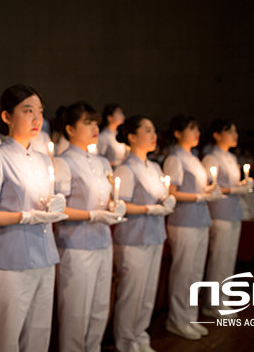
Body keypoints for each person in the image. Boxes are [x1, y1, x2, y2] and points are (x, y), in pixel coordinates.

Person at [0, 84, 68, 352]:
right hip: (11, 261)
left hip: (45, 256)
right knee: (7, 339)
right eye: (28, 110)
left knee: (39, 335)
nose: (37, 119)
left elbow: (44, 204)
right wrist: (23, 216)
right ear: (7, 116)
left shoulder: (44, 160)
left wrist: (56, 204)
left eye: (40, 111)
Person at [53, 102, 125, 352]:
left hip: (103, 241)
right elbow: (58, 209)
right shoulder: (63, 162)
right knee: (75, 310)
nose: (95, 127)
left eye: (96, 122)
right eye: (87, 122)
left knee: (99, 307)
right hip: (76, 244)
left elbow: (108, 198)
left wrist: (114, 206)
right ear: (70, 129)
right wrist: (92, 214)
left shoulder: (103, 162)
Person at [112, 115, 176, 352]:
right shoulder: (126, 168)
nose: (153, 136)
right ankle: (126, 342)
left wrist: (165, 200)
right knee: (132, 294)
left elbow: (160, 195)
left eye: (154, 131)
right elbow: (121, 204)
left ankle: (140, 336)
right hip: (133, 238)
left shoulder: (155, 166)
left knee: (148, 294)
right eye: (147, 131)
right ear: (131, 137)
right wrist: (151, 208)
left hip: (155, 235)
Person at [162, 115, 222, 340]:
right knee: (184, 272)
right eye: (191, 128)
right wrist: (199, 196)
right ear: (177, 133)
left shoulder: (194, 157)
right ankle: (177, 320)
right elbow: (171, 193)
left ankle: (190, 316)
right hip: (183, 221)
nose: (196, 132)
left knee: (196, 272)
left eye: (197, 128)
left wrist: (208, 191)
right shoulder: (175, 158)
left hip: (200, 219)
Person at [201, 119, 254, 319]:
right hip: (219, 212)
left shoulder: (231, 157)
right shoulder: (211, 157)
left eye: (235, 131)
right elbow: (208, 186)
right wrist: (234, 189)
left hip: (234, 211)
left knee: (229, 258)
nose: (235, 135)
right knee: (219, 258)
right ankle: (212, 304)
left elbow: (233, 184)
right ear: (216, 134)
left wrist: (243, 183)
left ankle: (223, 299)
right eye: (229, 131)